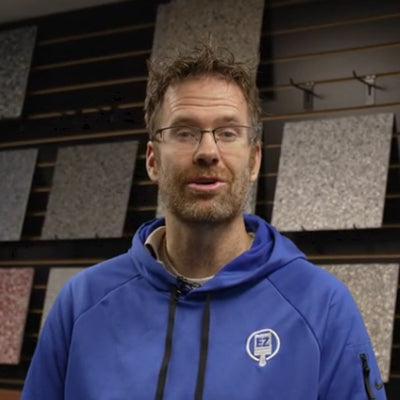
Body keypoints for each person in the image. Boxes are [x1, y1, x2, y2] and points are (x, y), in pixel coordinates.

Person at [21, 44, 386, 400]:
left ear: (254, 160)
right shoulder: (81, 304)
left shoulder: (321, 306)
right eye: (184, 132)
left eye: (228, 132)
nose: (208, 152)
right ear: (153, 160)